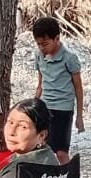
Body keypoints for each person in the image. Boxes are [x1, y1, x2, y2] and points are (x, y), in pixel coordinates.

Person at [32, 17, 86, 164]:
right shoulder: (39, 56)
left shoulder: (69, 58)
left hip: (63, 109)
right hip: (45, 107)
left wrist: (79, 116)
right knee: (42, 148)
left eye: (45, 44)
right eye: (38, 44)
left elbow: (78, 88)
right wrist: (33, 106)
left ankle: (67, 177)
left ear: (57, 38)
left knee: (61, 152)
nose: (42, 47)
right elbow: (40, 84)